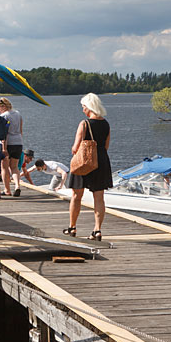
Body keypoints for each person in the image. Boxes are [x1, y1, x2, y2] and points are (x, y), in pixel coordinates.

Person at [64, 93, 112, 241]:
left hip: (83, 162)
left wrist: (76, 151)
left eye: (84, 107)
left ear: (89, 107)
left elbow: (75, 147)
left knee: (76, 195)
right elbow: (106, 146)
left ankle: (72, 227)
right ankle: (97, 230)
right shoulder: (106, 124)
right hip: (101, 161)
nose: (83, 109)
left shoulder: (84, 124)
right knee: (99, 197)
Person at [0, 97, 23, 197]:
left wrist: (4, 148)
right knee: (15, 167)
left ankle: (7, 190)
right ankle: (17, 186)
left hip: (8, 143)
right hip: (18, 142)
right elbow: (21, 130)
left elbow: (4, 134)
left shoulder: (4, 116)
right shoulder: (18, 114)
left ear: (3, 106)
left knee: (4, 167)